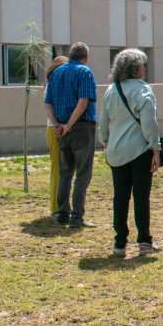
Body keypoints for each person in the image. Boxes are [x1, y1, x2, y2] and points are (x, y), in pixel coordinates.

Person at [98, 49, 162, 257]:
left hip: (116, 151)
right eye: (143, 65)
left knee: (120, 196)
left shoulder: (111, 90)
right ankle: (144, 240)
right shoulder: (144, 90)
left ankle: (119, 243)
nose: (145, 69)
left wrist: (106, 145)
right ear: (137, 68)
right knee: (141, 197)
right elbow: (149, 124)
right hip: (140, 150)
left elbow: (103, 125)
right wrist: (155, 149)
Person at [43, 42, 98, 228]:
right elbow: (83, 103)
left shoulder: (56, 73)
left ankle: (62, 214)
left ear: (70, 54)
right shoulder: (84, 72)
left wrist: (58, 125)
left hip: (61, 129)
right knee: (83, 173)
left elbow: (47, 103)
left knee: (65, 173)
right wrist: (68, 126)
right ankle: (77, 216)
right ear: (86, 57)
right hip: (82, 128)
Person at [43, 55, 68, 216]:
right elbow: (48, 106)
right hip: (54, 129)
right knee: (57, 168)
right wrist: (57, 124)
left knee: (65, 170)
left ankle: (63, 206)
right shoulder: (51, 85)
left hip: (63, 128)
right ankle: (55, 207)